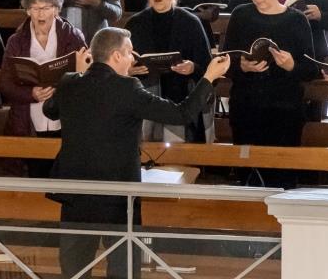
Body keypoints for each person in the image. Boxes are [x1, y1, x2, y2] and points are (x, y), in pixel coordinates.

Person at [45, 28, 229, 279]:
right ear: (117, 56)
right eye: (130, 53)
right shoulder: (128, 87)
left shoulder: (69, 82)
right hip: (118, 194)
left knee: (74, 266)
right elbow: (181, 114)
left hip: (76, 192)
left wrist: (79, 73)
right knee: (124, 266)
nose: (133, 59)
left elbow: (50, 110)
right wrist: (208, 77)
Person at [221, 0, 316, 187]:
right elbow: (226, 60)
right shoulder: (241, 15)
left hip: (284, 111)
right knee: (248, 178)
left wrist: (291, 65)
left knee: (281, 179)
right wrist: (242, 66)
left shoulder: (296, 20)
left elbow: (311, 69)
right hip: (246, 108)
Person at [0, 0, 87, 177]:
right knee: (35, 178)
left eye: (46, 7)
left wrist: (71, 81)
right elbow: (4, 84)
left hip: (64, 121)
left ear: (56, 9)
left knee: (64, 179)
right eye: (34, 8)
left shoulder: (73, 37)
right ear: (27, 11)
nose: (40, 13)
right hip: (29, 121)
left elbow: (87, 81)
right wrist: (31, 93)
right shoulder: (16, 41)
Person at [124, 0, 214, 142]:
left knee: (179, 163)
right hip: (144, 100)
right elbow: (118, 67)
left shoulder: (191, 23)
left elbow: (208, 68)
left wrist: (192, 68)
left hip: (181, 99)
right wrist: (129, 71)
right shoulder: (134, 24)